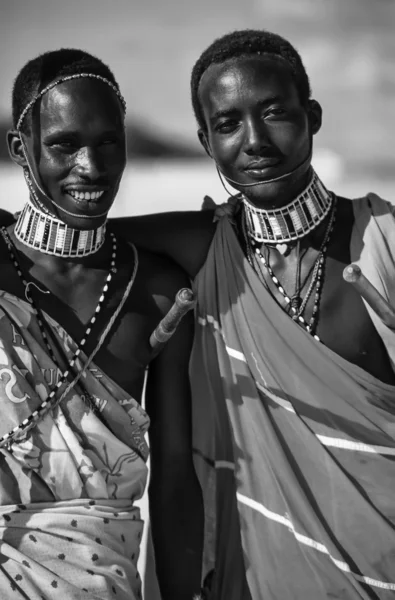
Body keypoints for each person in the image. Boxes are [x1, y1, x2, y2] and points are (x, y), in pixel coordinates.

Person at [105, 29, 395, 599]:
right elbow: (57, 244)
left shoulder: (383, 242)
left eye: (274, 114)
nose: (255, 141)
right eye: (228, 124)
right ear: (205, 140)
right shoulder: (200, 247)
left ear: (311, 115)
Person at [0, 49, 203, 600]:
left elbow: (175, 477)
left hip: (104, 579)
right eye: (65, 144)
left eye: (109, 141)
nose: (91, 166)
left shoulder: (158, 291)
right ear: (22, 149)